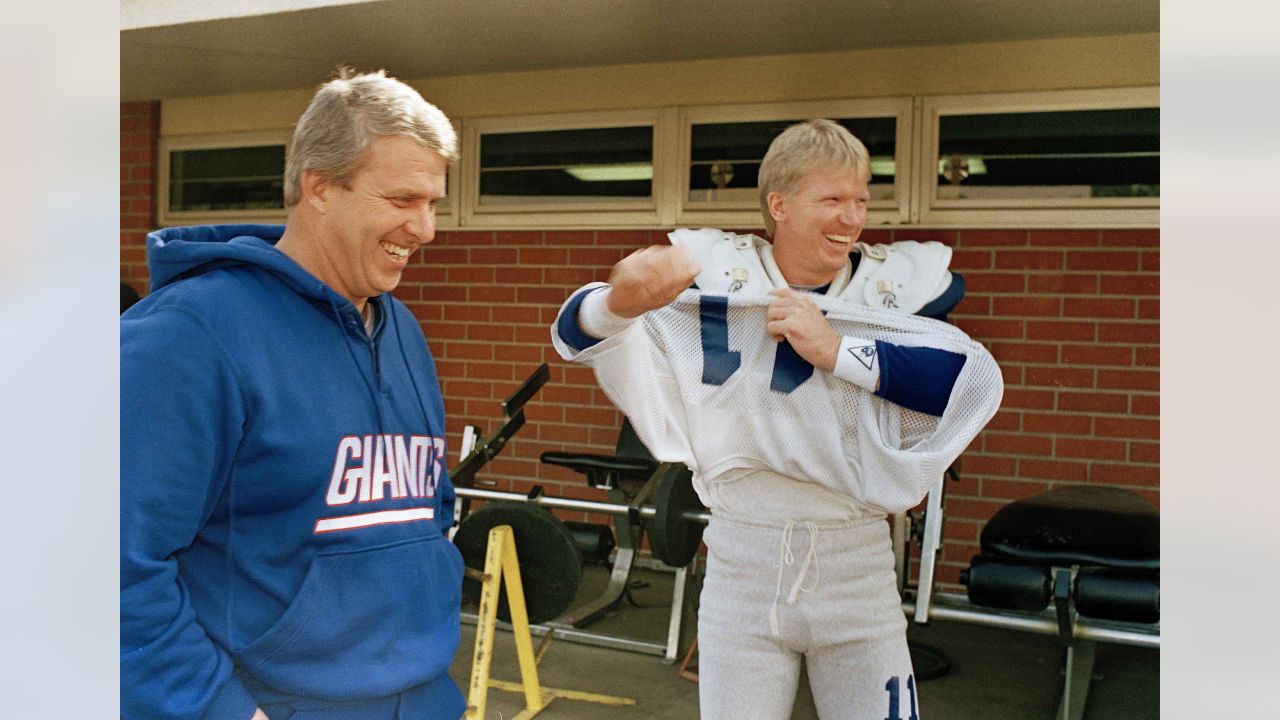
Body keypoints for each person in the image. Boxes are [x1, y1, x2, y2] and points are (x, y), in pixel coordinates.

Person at [551, 119, 1003, 719]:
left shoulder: (887, 289)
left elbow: (966, 384)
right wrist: (615, 301)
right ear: (779, 205)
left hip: (858, 561)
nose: (852, 217)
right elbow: (573, 334)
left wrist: (838, 351)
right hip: (742, 557)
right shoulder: (715, 277)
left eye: (862, 199)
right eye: (833, 199)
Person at [121, 69, 466, 720]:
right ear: (319, 188)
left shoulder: (402, 330)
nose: (426, 229)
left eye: (433, 203)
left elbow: (423, 512)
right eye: (402, 199)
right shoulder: (190, 336)